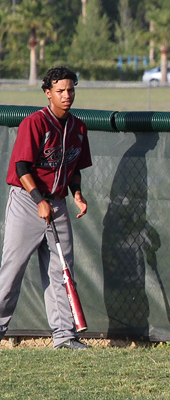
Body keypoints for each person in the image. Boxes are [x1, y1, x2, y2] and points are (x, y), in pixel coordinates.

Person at [0, 66, 91, 349]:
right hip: (28, 202)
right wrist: (39, 200)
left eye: (71, 89)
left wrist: (77, 193)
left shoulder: (78, 126)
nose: (67, 95)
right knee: (12, 270)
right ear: (48, 93)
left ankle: (64, 336)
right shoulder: (35, 122)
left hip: (58, 203)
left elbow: (74, 169)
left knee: (62, 271)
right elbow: (22, 166)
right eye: (60, 90)